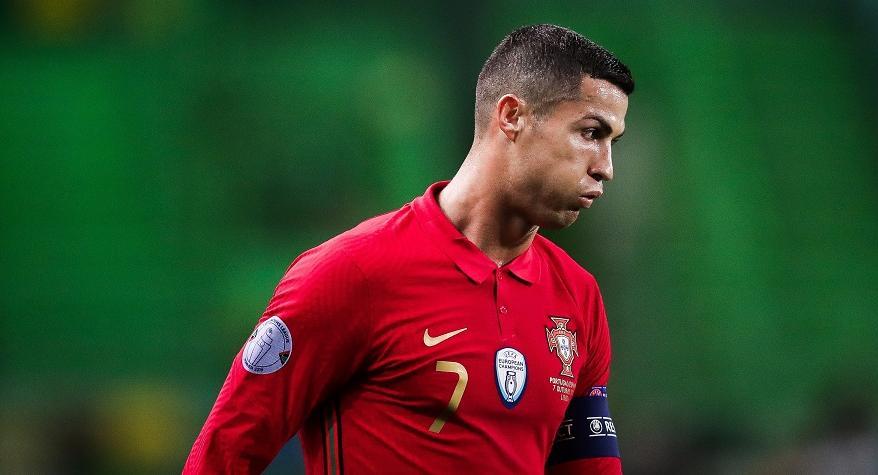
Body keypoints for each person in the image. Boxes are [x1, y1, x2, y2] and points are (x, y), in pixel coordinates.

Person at [184, 23, 633, 474]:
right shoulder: (352, 272)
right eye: (590, 133)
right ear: (512, 116)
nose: (606, 168)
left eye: (612, 142)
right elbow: (224, 452)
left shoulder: (578, 296)